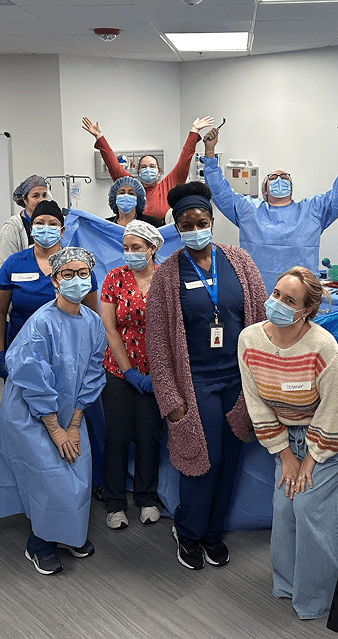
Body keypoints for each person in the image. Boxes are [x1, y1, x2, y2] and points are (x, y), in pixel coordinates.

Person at [238, 266, 338, 620]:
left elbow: (335, 412)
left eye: (289, 300)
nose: (277, 303)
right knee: (285, 503)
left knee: (312, 507)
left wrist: (309, 461)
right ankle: (289, 583)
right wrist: (286, 457)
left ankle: (320, 596)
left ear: (306, 312)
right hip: (293, 424)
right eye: (276, 294)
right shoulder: (249, 340)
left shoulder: (322, 346)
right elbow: (257, 404)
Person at [145, 182, 267, 570]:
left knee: (232, 457)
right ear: (177, 228)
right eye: (186, 223)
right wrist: (171, 400)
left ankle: (214, 532)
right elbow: (159, 344)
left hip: (237, 380)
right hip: (194, 381)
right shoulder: (167, 274)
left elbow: (261, 321)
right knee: (202, 459)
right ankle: (190, 531)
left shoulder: (239, 261)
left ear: (212, 222)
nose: (195, 227)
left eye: (201, 221)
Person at [0, 247, 106, 575]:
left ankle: (69, 533)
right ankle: (40, 542)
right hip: (31, 414)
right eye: (68, 274)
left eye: (83, 274)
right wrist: (54, 427)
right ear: (54, 280)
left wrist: (74, 421)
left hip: (70, 415)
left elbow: (94, 374)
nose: (77, 280)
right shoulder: (42, 323)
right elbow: (31, 378)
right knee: (48, 477)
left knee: (78, 474)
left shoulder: (94, 324)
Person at [201, 126, 338, 293]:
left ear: (291, 189)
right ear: (266, 189)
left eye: (284, 177)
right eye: (273, 177)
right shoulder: (248, 210)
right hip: (259, 294)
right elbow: (220, 192)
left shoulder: (313, 210)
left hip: (302, 296)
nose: (279, 179)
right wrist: (210, 152)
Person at [100, 220, 165, 529]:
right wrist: (128, 371)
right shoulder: (114, 278)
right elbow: (110, 327)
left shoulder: (167, 277)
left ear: (152, 249)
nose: (130, 253)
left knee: (149, 437)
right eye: (126, 248)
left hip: (156, 371)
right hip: (118, 369)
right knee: (117, 437)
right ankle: (114, 502)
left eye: (136, 248)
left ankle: (147, 497)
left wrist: (160, 372)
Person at [0, 200, 98, 380]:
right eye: (39, 223)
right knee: (25, 404)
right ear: (31, 229)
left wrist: (92, 354)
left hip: (68, 352)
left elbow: (92, 316)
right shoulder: (15, 263)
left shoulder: (78, 265)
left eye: (53, 224)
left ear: (62, 231)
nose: (46, 228)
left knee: (65, 404)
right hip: (22, 351)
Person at [82, 115, 214, 223]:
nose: (148, 169)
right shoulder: (131, 187)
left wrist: (194, 131)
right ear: (138, 172)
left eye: (152, 166)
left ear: (158, 172)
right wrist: (99, 137)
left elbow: (184, 159)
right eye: (143, 167)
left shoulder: (168, 185)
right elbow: (112, 164)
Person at [0, 174, 51, 271]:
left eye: (44, 195)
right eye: (35, 196)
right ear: (25, 199)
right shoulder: (12, 228)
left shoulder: (52, 224)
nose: (41, 200)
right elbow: (2, 267)